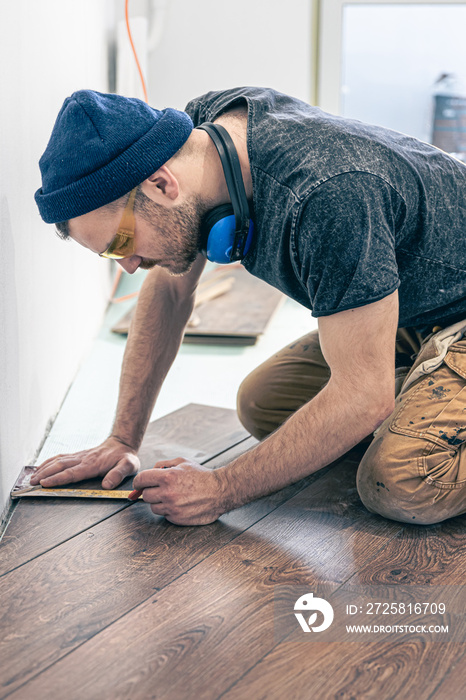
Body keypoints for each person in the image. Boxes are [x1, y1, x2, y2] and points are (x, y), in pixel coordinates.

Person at [32, 87, 466, 526]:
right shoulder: (200, 143)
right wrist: (122, 438)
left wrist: (221, 489)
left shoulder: (328, 196)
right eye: (110, 255)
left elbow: (364, 399)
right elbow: (170, 290)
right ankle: (426, 392)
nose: (127, 266)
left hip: (459, 311)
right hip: (420, 310)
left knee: (401, 480)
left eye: (120, 244)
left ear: (161, 184)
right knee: (264, 404)